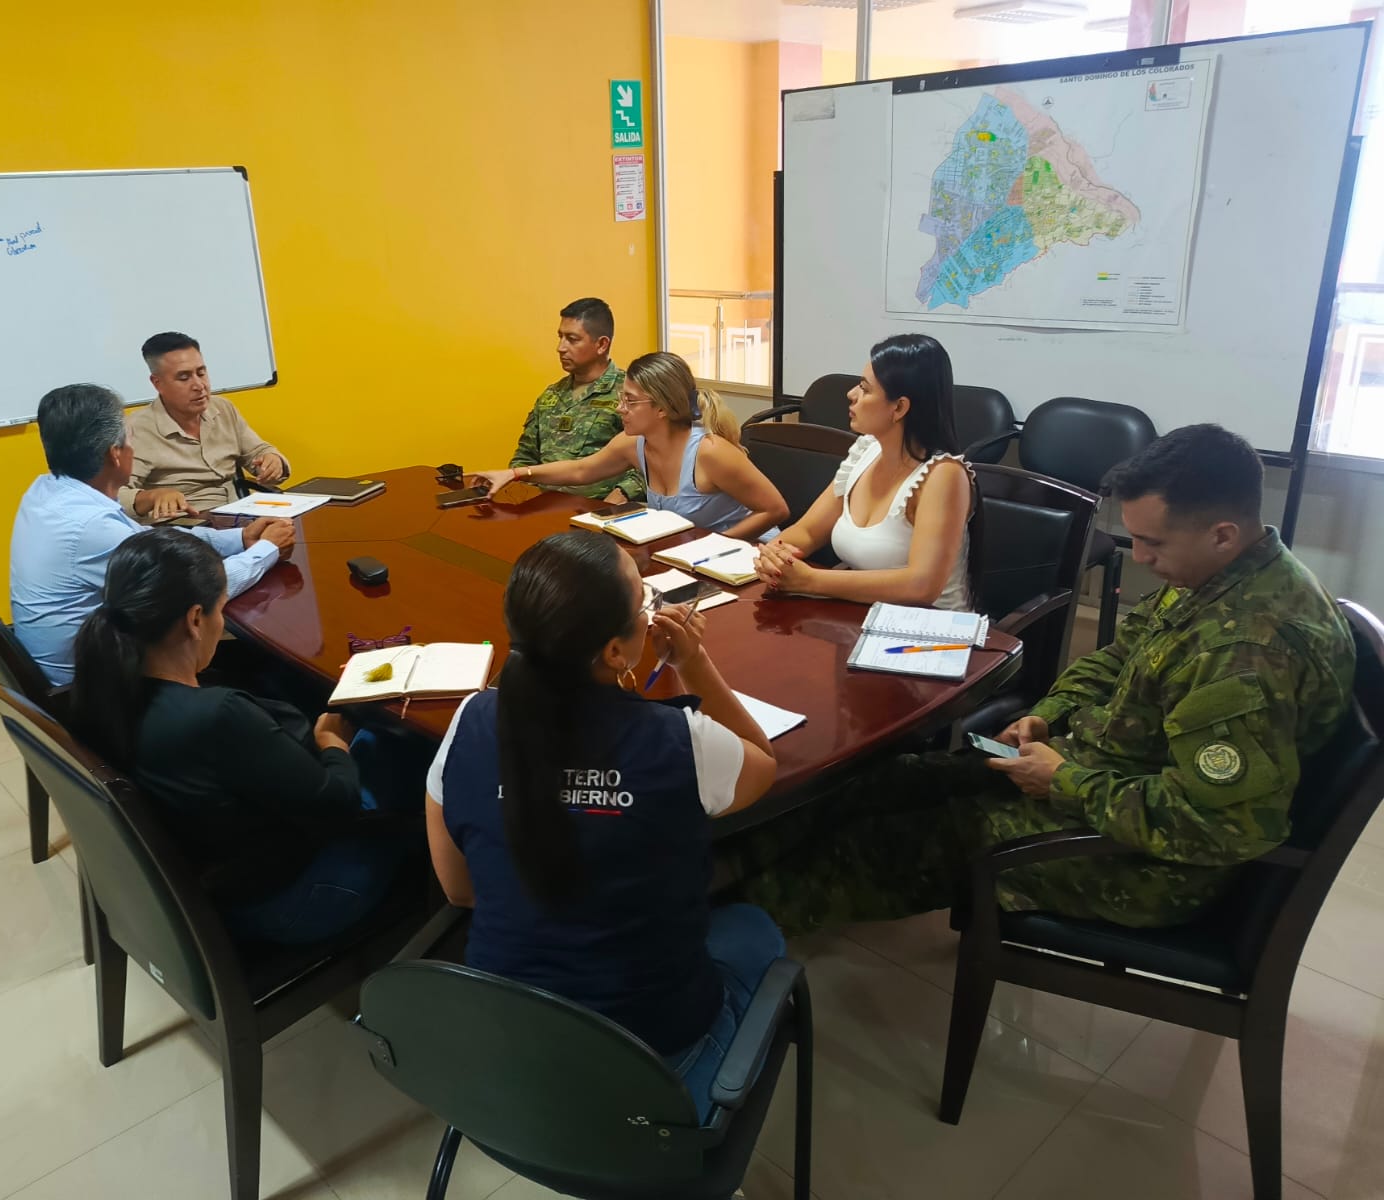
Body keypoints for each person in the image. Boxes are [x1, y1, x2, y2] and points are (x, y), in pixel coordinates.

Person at [738, 424, 1356, 934]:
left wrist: (1067, 782)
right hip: (1094, 774)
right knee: (879, 782)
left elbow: (1219, 828)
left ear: (1222, 534)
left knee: (874, 848)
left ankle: (729, 926)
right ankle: (727, 865)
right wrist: (1048, 714)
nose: (1139, 558)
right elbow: (1118, 658)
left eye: (1152, 543)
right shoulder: (1217, 575)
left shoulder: (1251, 649)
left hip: (1142, 861)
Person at [425, 530, 784, 1118]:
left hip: (507, 1069)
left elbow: (459, 889)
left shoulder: (470, 720)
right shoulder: (680, 741)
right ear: (616, 652)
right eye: (644, 601)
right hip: (649, 1080)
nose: (652, 611)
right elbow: (762, 762)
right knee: (752, 928)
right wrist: (693, 662)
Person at [69, 530, 417, 944]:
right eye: (221, 610)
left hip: (215, 880)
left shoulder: (100, 690)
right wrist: (331, 741)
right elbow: (337, 803)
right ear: (195, 620)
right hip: (291, 902)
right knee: (402, 748)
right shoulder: (217, 716)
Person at [10, 383, 294, 687]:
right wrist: (267, 550)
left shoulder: (45, 492)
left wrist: (238, 540)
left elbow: (148, 541)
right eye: (129, 440)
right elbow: (198, 590)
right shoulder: (90, 527)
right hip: (97, 690)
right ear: (115, 454)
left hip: (89, 662)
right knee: (273, 671)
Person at [754, 333, 977, 609]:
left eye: (865, 389)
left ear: (899, 407)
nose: (851, 394)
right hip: (859, 612)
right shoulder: (866, 450)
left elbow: (922, 586)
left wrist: (810, 580)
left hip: (926, 625)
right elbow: (809, 531)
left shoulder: (943, 475)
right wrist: (773, 557)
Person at [476, 352, 790, 541]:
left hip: (747, 555)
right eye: (621, 398)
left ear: (662, 408)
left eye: (630, 401)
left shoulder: (710, 452)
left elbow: (775, 509)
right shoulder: (634, 444)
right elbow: (582, 470)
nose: (620, 408)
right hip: (694, 556)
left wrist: (715, 544)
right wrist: (515, 474)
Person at [118, 331, 291, 520]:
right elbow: (113, 494)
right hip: (185, 524)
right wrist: (151, 497)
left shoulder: (223, 409)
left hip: (238, 515)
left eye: (201, 373)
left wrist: (272, 461)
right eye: (184, 378)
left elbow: (258, 451)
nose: (199, 385)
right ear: (157, 383)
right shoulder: (136, 430)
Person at [507, 298, 643, 502]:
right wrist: (529, 503)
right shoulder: (551, 395)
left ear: (601, 344)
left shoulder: (630, 394)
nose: (560, 348)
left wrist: (616, 500)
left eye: (572, 339)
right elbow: (525, 458)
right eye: (560, 337)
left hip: (601, 509)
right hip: (545, 509)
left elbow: (651, 461)